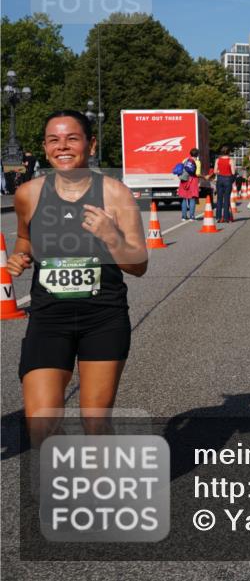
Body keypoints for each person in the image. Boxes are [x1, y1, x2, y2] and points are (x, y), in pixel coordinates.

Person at [7, 110, 148, 444]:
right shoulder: (29, 194)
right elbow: (25, 239)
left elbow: (139, 264)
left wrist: (111, 236)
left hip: (103, 318)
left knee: (95, 424)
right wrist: (20, 256)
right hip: (48, 318)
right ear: (44, 147)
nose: (63, 146)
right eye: (54, 140)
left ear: (91, 143)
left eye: (72, 138)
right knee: (40, 424)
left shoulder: (115, 194)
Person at [213, 146, 236, 223]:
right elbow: (233, 172)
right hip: (228, 180)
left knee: (219, 199)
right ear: (229, 152)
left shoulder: (218, 160)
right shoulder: (231, 160)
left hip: (220, 179)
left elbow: (215, 171)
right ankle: (226, 218)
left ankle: (218, 217)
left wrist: (220, 172)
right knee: (226, 199)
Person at [177, 148, 201, 220]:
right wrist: (204, 177)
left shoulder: (185, 160)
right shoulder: (197, 162)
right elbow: (197, 174)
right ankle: (192, 216)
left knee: (184, 198)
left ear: (190, 154)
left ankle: (184, 217)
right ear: (197, 154)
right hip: (193, 181)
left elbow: (181, 170)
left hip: (184, 180)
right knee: (192, 198)